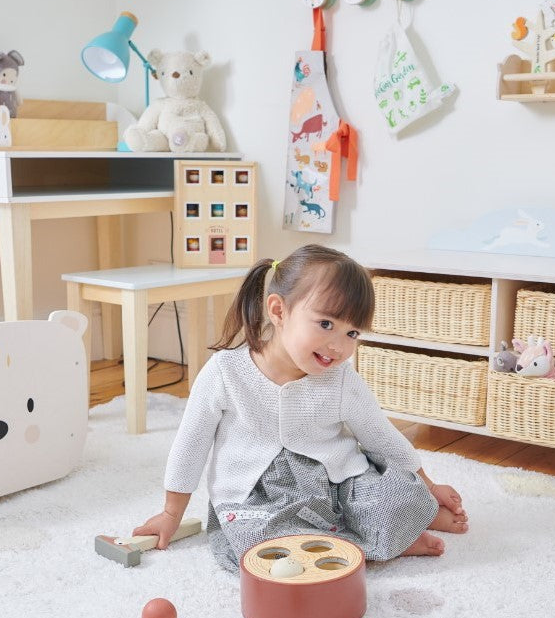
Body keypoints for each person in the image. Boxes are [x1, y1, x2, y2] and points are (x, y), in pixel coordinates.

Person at [133, 244, 468, 571]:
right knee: (260, 543)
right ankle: (375, 545)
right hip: (260, 497)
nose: (338, 345)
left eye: (352, 333)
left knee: (397, 496)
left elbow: (382, 438)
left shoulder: (341, 380)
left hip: (339, 487)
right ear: (278, 311)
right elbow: (190, 446)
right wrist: (171, 515)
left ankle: (393, 534)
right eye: (325, 324)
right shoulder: (225, 372)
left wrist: (429, 486)